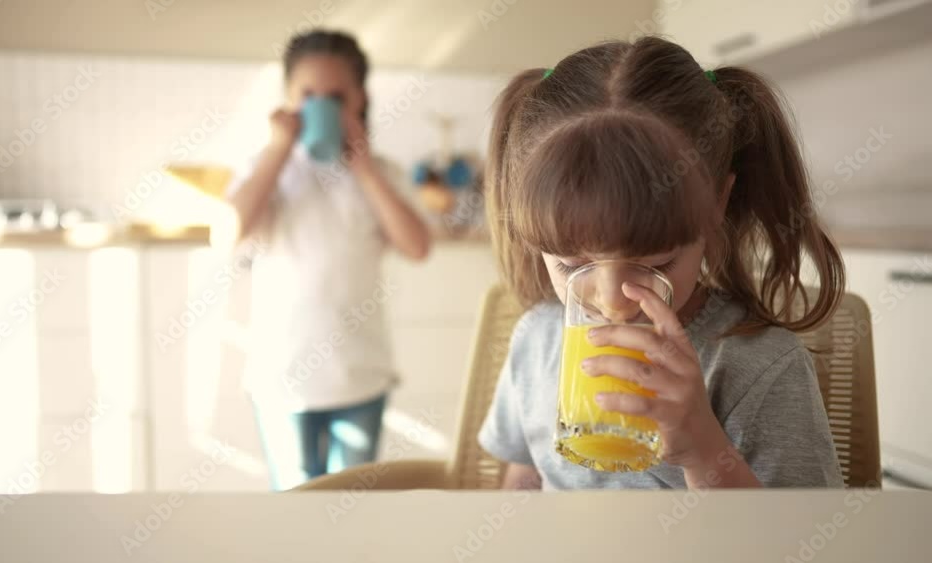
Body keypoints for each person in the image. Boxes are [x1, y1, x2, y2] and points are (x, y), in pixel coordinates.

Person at [479, 37, 845, 490]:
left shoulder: (760, 367)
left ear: (718, 203)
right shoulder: (536, 340)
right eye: (572, 265)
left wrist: (703, 450)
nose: (614, 302)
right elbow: (522, 480)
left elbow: (803, 528)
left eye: (657, 262)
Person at [227, 30, 431, 490]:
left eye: (336, 97)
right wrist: (278, 150)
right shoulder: (268, 168)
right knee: (294, 501)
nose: (322, 106)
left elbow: (417, 246)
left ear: (360, 100)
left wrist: (363, 167)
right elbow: (230, 234)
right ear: (288, 100)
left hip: (361, 377)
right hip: (282, 381)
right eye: (308, 95)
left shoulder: (381, 173)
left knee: (352, 501)